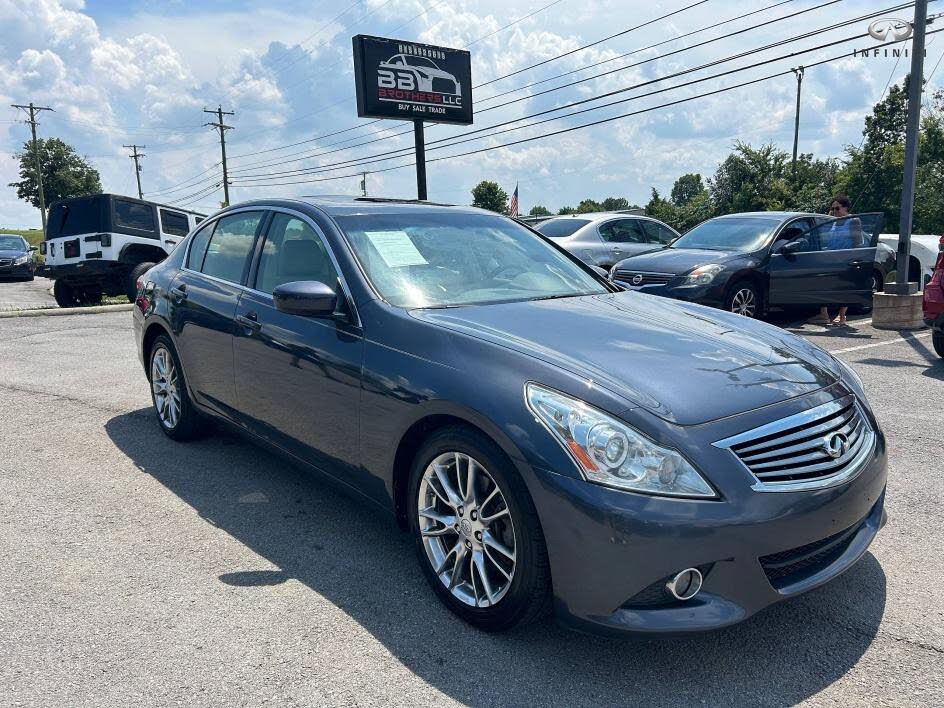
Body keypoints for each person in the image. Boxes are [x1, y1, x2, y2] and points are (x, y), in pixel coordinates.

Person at [811, 194, 858, 326]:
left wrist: (853, 259)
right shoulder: (833, 222)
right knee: (825, 285)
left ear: (846, 208)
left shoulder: (853, 221)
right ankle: (823, 314)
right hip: (830, 259)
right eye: (832, 209)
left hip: (845, 259)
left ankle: (842, 316)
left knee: (844, 287)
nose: (834, 211)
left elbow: (857, 241)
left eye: (837, 208)